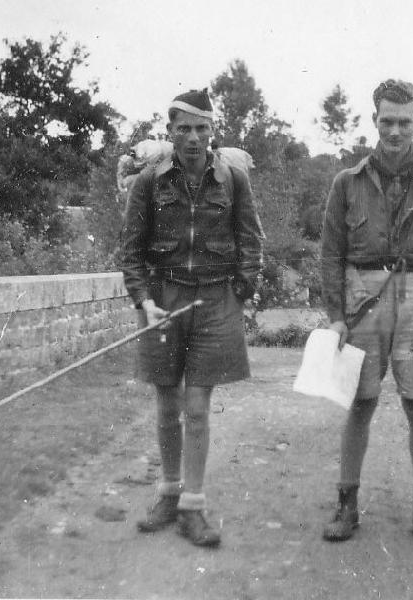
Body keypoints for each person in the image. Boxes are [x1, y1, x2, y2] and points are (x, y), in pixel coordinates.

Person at [120, 89, 263, 548]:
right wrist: (144, 301)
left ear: (212, 131)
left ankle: (192, 506)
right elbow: (130, 253)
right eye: (184, 129)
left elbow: (251, 241)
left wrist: (239, 291)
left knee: (198, 407)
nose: (193, 138)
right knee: (167, 404)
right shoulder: (149, 182)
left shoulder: (233, 179)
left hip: (215, 302)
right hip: (163, 300)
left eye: (202, 128)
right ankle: (168, 493)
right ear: (171, 132)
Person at [319, 79, 413, 547]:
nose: (395, 131)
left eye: (404, 121)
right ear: (374, 121)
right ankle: (346, 504)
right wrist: (336, 316)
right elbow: (330, 255)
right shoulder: (347, 182)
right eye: (387, 121)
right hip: (363, 296)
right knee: (360, 402)